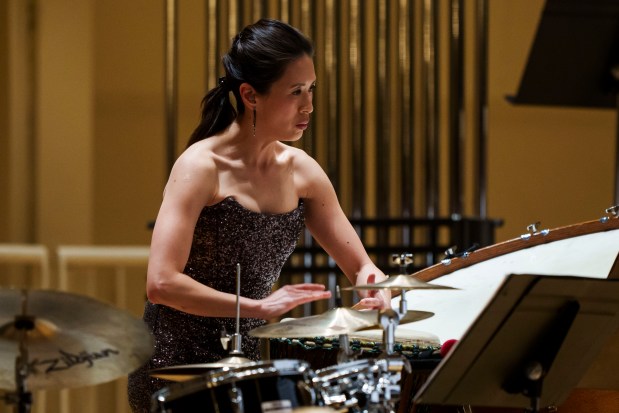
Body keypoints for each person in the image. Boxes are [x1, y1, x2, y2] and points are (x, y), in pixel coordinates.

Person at [127, 18, 389, 412]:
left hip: (247, 362)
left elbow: (362, 267)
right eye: (295, 91)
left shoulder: (302, 171)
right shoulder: (201, 166)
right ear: (250, 95)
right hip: (175, 365)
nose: (309, 105)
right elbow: (161, 284)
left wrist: (376, 285)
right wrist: (258, 307)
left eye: (311, 89)